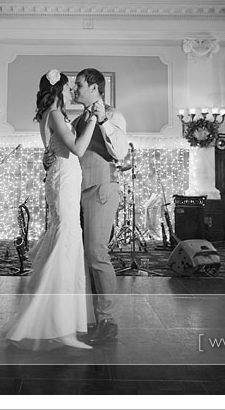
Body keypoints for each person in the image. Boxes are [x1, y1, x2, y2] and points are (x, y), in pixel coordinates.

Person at [4, 69, 99, 350]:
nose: (71, 92)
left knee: (66, 241)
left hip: (64, 178)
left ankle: (61, 323)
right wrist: (93, 119)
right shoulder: (55, 115)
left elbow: (60, 149)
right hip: (64, 180)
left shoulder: (54, 115)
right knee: (65, 242)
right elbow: (78, 149)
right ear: (58, 90)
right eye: (68, 87)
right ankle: (60, 327)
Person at [69, 68, 129, 345]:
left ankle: (109, 321)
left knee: (97, 253)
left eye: (79, 85)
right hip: (80, 192)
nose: (74, 89)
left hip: (101, 189)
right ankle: (96, 318)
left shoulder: (113, 115)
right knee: (87, 257)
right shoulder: (79, 119)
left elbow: (119, 151)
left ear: (94, 87)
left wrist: (102, 118)